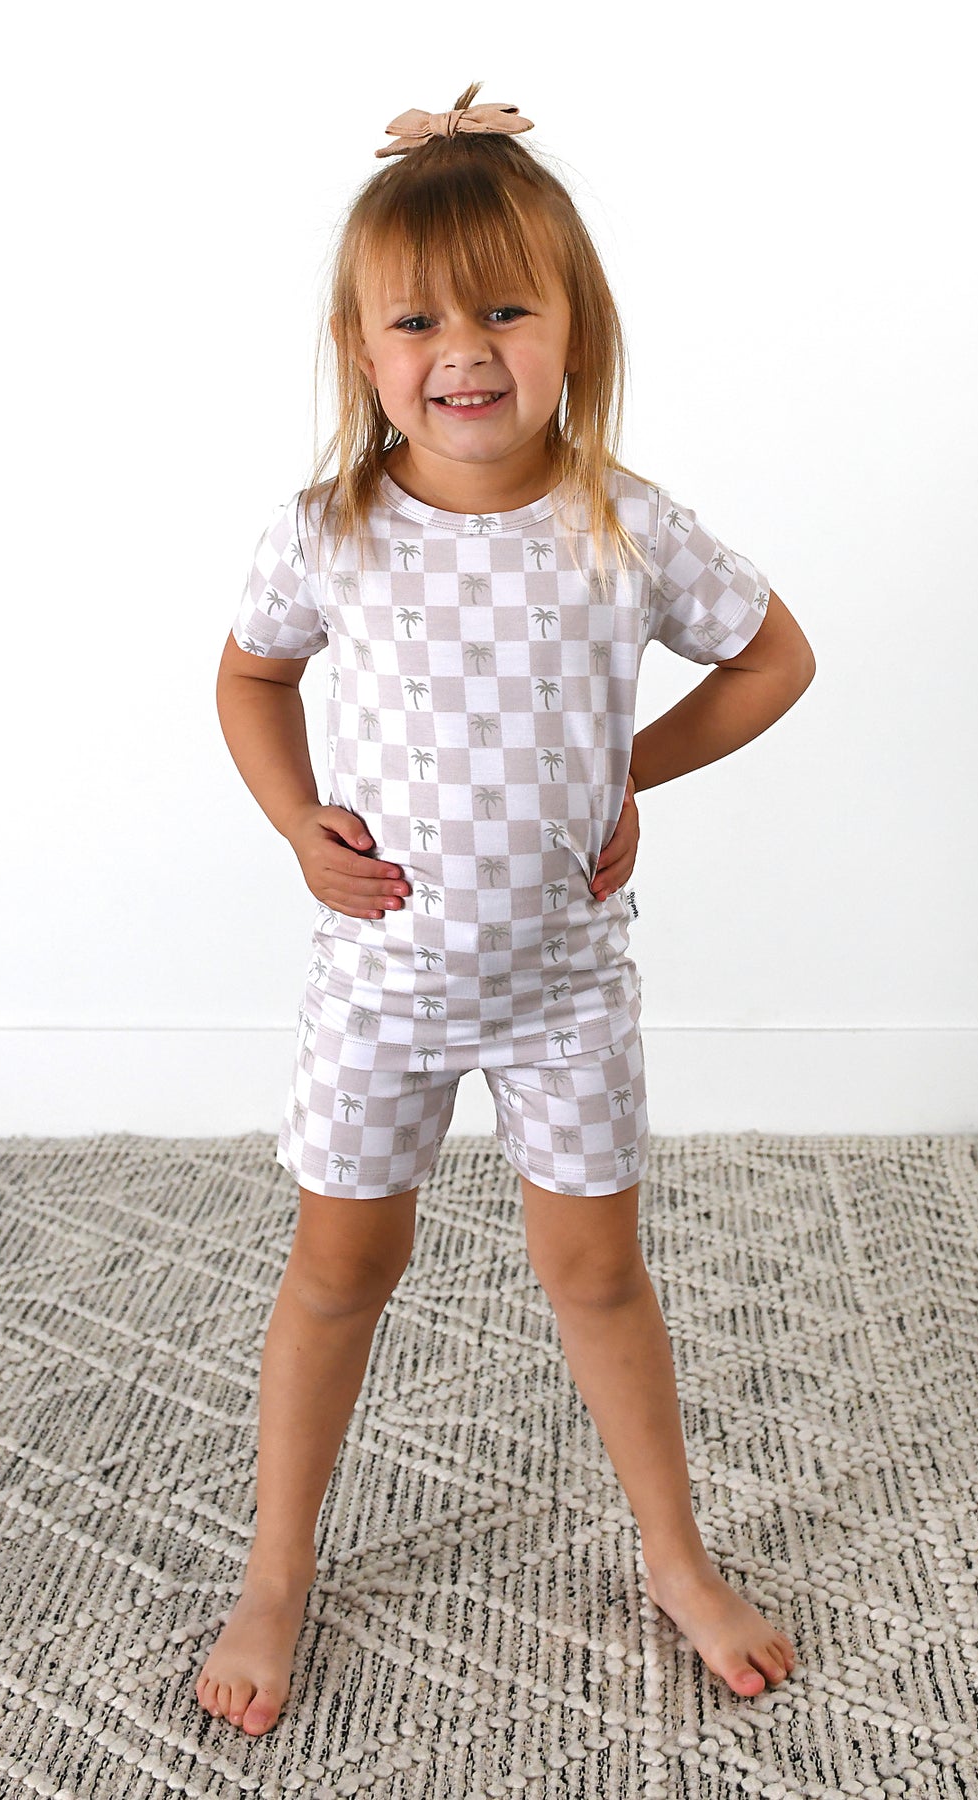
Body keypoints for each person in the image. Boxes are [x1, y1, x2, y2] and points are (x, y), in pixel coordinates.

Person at [202, 82, 816, 1737]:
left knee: (600, 1276)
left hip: (564, 989)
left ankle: (675, 1554)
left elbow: (775, 658)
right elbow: (250, 679)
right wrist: (298, 825)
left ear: (573, 327)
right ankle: (277, 1568)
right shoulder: (329, 535)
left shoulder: (623, 522)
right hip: (382, 988)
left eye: (504, 312)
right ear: (362, 351)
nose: (462, 352)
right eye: (417, 321)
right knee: (341, 1269)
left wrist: (630, 770)